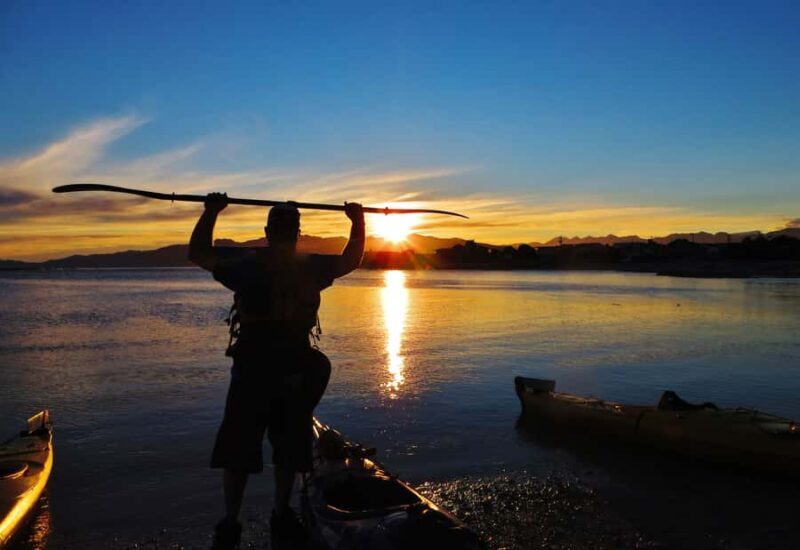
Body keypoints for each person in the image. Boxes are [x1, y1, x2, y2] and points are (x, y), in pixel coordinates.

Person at [188, 192, 365, 548]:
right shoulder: (307, 267)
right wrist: (357, 222)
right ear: (296, 233)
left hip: (255, 374)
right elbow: (350, 260)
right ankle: (278, 514)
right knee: (286, 448)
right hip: (288, 373)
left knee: (249, 451)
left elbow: (198, 253)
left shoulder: (246, 265)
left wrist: (211, 212)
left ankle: (233, 522)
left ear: (268, 231)